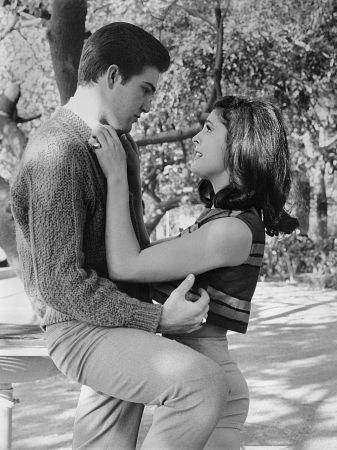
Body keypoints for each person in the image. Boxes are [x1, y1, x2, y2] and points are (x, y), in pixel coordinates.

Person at [10, 22, 230, 450]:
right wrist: (156, 319)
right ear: (112, 76)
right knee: (200, 384)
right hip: (80, 328)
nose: (149, 105)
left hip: (117, 319)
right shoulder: (58, 151)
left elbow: (130, 250)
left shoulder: (117, 144)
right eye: (146, 89)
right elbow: (60, 283)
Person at [92, 95, 300, 449]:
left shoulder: (231, 230)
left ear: (238, 146)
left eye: (208, 128)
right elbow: (139, 255)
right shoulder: (218, 219)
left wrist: (116, 178)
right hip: (194, 376)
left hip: (211, 382)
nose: (195, 138)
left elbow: (127, 264)